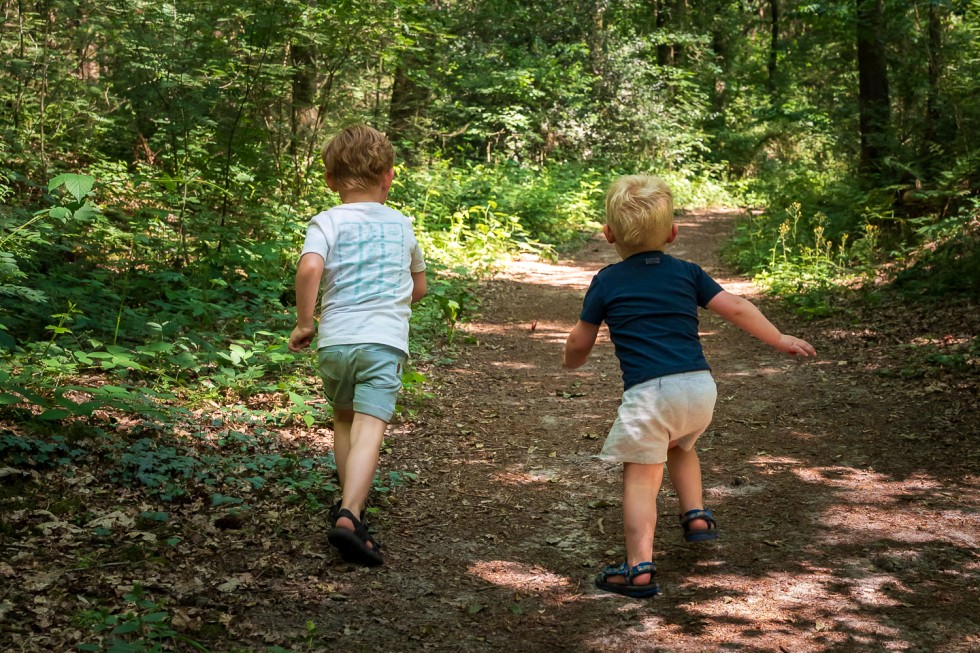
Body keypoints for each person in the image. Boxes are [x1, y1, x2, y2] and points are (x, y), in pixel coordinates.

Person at [561, 175, 816, 597]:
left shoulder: (607, 280)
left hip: (650, 395)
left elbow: (579, 340)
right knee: (681, 445)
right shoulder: (687, 273)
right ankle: (696, 516)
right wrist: (780, 338)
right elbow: (736, 306)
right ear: (673, 233)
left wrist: (572, 361)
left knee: (642, 477)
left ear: (608, 235)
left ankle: (638, 569)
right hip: (699, 388)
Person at [288, 124, 427, 567]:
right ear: (388, 176)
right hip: (382, 342)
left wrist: (304, 323)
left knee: (344, 421)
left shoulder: (327, 220)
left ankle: (351, 508)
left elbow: (311, 267)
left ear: (330, 180)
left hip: (335, 342)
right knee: (370, 426)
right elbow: (418, 287)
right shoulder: (401, 224)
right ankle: (350, 515)